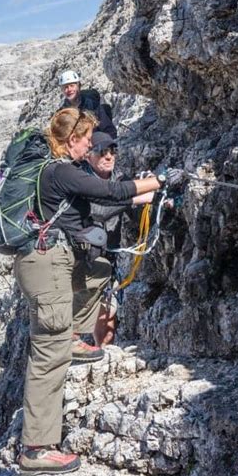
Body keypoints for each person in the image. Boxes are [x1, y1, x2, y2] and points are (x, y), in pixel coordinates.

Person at [14, 107, 183, 476]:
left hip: (47, 261)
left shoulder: (48, 168)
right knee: (48, 355)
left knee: (87, 287)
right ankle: (37, 448)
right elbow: (110, 192)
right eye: (88, 140)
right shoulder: (61, 170)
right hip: (47, 265)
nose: (92, 146)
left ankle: (73, 337)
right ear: (71, 140)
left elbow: (107, 199)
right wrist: (159, 179)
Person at [81, 131, 154, 346]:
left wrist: (155, 202)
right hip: (82, 261)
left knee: (107, 316)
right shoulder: (80, 180)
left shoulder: (119, 180)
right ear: (88, 155)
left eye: (112, 151)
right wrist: (136, 197)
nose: (108, 156)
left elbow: (134, 214)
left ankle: (102, 353)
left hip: (106, 259)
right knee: (90, 314)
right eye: (101, 151)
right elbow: (98, 210)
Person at [58, 69, 117, 138]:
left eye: (72, 85)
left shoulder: (93, 106)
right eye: (65, 87)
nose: (69, 89)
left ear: (79, 86)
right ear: (62, 90)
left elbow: (109, 130)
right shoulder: (62, 114)